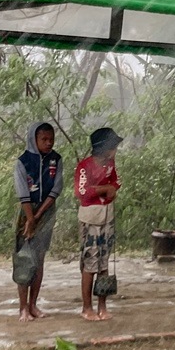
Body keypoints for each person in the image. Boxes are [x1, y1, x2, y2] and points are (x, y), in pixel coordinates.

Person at [14, 121, 64, 322]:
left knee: (39, 257)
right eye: (43, 139)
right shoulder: (23, 162)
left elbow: (56, 189)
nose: (48, 143)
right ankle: (22, 307)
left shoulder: (56, 160)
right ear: (33, 139)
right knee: (24, 257)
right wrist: (29, 218)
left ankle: (33, 304)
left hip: (46, 211)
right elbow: (22, 193)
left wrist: (37, 217)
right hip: (27, 210)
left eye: (51, 139)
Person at [74, 127, 123, 321]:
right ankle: (87, 307)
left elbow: (116, 182)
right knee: (90, 263)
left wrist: (111, 189)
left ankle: (103, 306)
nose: (115, 151)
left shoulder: (110, 164)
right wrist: (105, 189)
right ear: (104, 148)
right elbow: (82, 192)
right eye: (113, 147)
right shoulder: (85, 166)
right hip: (91, 218)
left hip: (107, 216)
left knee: (104, 262)